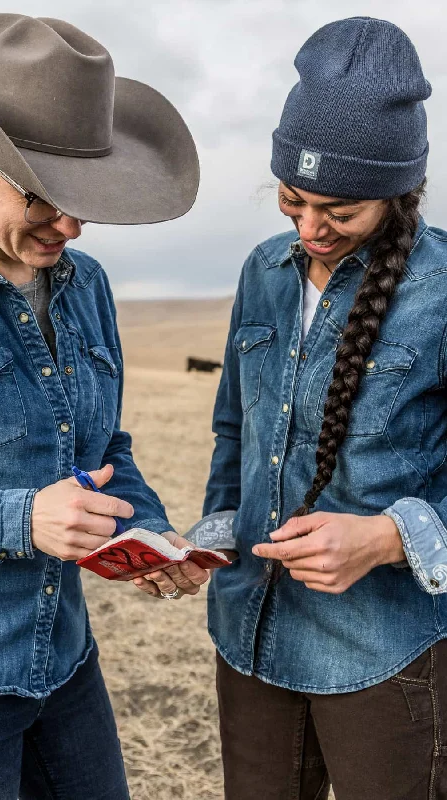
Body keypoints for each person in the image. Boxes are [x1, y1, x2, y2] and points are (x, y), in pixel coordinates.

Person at [134, 16, 447, 799]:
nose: (309, 228)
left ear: (399, 192)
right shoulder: (261, 273)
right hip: (252, 636)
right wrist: (206, 536)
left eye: (338, 212)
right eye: (290, 200)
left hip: (383, 652)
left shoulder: (439, 292)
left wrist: (384, 537)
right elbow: (235, 430)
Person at [0, 13, 206, 800]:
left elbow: (103, 445)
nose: (72, 226)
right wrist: (19, 520)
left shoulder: (89, 288)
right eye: (43, 196)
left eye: (88, 200)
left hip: (64, 661)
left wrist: (141, 529)